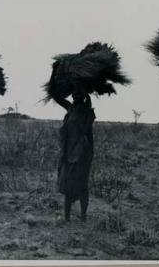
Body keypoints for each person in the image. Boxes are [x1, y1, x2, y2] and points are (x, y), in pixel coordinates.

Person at [53, 89, 95, 222]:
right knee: (67, 185)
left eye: (78, 95)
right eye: (74, 95)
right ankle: (67, 217)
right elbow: (56, 96)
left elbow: (89, 136)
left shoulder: (86, 112)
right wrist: (55, 70)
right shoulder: (70, 109)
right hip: (67, 153)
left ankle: (83, 216)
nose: (75, 97)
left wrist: (87, 93)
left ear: (83, 97)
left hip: (82, 154)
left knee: (82, 185)